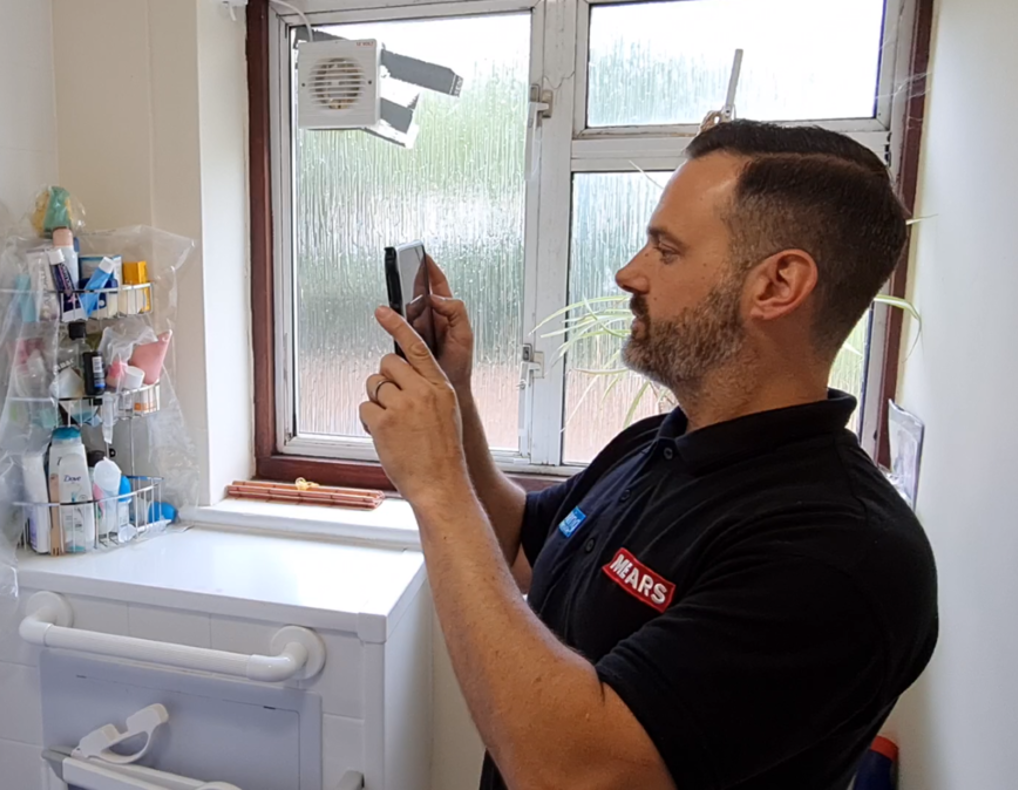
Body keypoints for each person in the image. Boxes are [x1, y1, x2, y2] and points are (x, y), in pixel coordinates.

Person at [360, 120, 939, 790]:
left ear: (778, 284)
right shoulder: (663, 441)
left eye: (666, 251)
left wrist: (435, 486)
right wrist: (454, 400)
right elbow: (521, 551)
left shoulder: (841, 556)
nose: (627, 273)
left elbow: (568, 775)